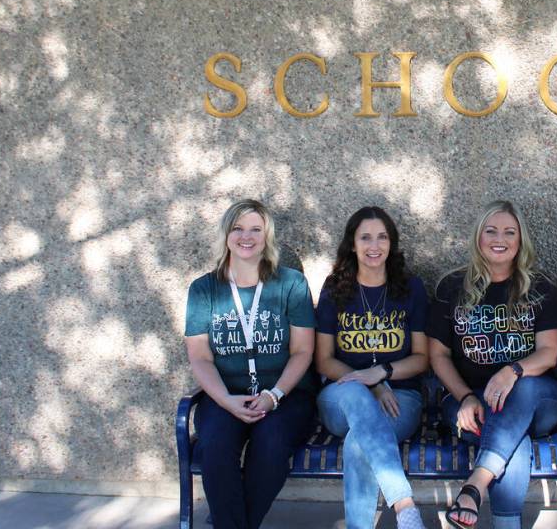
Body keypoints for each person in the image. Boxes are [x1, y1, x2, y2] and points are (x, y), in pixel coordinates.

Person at [428, 200, 557, 529]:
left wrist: (512, 371)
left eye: (509, 231)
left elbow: (549, 352)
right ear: (478, 237)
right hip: (471, 402)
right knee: (508, 439)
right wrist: (465, 396)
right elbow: (439, 356)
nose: (499, 238)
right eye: (490, 231)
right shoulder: (452, 287)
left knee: (522, 394)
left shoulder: (541, 288)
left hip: (536, 398)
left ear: (520, 241)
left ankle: (474, 485)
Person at [184, 199, 317, 529]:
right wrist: (225, 400)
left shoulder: (291, 283)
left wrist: (274, 395)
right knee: (214, 446)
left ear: (267, 235)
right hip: (225, 394)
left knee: (271, 444)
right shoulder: (204, 289)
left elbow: (303, 351)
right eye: (238, 228)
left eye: (256, 229)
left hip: (286, 396)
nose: (246, 236)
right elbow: (199, 356)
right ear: (226, 234)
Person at [315, 206, 430, 529]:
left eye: (382, 237)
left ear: (391, 244)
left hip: (400, 397)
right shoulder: (335, 288)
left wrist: (383, 374)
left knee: (358, 443)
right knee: (354, 392)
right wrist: (369, 384)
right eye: (365, 237)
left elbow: (422, 357)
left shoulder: (410, 288)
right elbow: (323, 360)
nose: (374, 246)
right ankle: (404, 503)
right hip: (341, 397)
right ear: (352, 244)